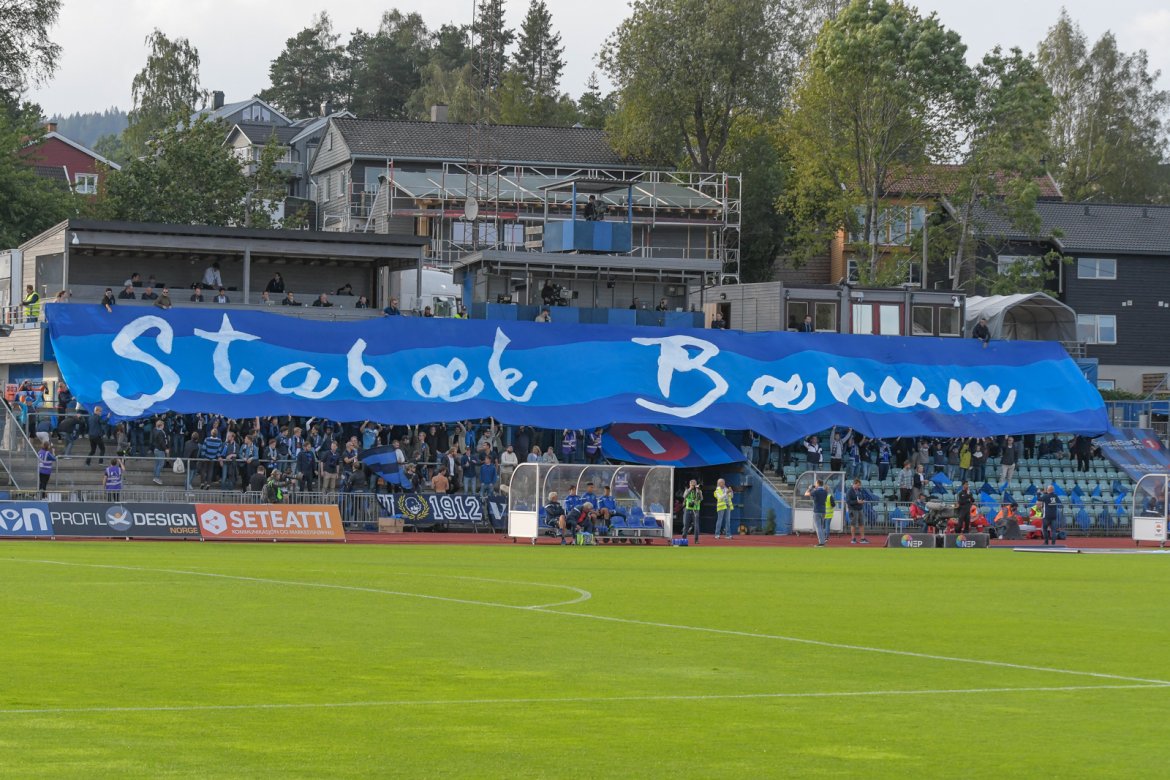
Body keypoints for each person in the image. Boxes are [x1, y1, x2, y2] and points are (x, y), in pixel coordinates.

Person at [806, 479, 831, 546]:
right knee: (821, 527)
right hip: (823, 511)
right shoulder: (825, 491)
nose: (815, 484)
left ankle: (821, 543)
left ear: (818, 484)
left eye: (816, 483)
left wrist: (809, 488)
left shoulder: (816, 491)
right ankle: (823, 541)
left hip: (817, 511)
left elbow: (806, 494)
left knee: (818, 527)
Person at [845, 478, 869, 544]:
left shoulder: (859, 490)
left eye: (859, 485)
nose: (859, 486)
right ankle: (853, 539)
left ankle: (862, 538)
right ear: (854, 484)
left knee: (861, 524)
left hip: (860, 509)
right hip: (853, 510)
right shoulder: (849, 491)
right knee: (853, 524)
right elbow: (848, 501)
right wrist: (857, 502)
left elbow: (862, 497)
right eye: (858, 485)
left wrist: (862, 500)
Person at [150, 418, 169, 486]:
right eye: (163, 425)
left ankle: (155, 477)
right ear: (161, 425)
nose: (164, 426)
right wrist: (165, 449)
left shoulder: (155, 431)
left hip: (156, 449)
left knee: (157, 464)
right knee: (161, 464)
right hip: (160, 450)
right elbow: (162, 442)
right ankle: (156, 478)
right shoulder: (160, 432)